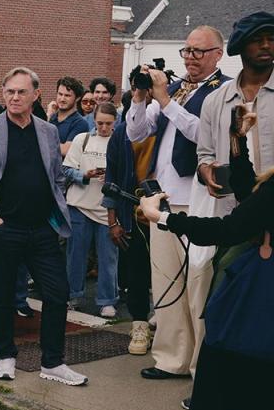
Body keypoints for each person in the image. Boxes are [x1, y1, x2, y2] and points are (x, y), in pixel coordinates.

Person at [139, 118, 273, 410]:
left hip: (242, 328)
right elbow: (254, 197)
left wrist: (162, 218)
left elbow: (231, 225)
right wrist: (238, 142)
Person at [0, 67, 86, 386]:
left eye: (21, 92)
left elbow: (57, 174)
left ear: (35, 94)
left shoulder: (48, 131)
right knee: (3, 294)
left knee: (57, 293)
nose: (14, 97)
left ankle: (53, 362)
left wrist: (54, 204)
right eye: (9, 91)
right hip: (4, 228)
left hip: (42, 228)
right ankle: (5, 356)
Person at [126, 25, 229, 381]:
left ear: (218, 54)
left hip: (198, 201)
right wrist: (141, 98)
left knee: (198, 282)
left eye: (198, 52)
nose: (190, 59)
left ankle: (204, 365)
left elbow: (204, 134)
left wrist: (166, 101)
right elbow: (137, 133)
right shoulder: (173, 88)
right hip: (163, 199)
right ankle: (172, 358)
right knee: (166, 281)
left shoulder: (223, 90)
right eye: (186, 51)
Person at [197, 12, 274, 211]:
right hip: (231, 215)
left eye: (271, 39)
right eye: (257, 40)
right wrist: (205, 169)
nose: (266, 45)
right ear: (240, 46)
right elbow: (205, 153)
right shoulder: (214, 101)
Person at [102, 79, 156, 355]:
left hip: (167, 212)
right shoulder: (121, 134)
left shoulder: (167, 128)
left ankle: (164, 323)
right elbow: (111, 178)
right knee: (136, 272)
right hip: (131, 213)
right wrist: (113, 220)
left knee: (166, 273)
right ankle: (138, 325)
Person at [62, 102, 119, 318]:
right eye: (100, 123)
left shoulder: (120, 141)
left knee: (108, 257)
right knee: (76, 254)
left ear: (115, 122)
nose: (104, 128)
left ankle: (107, 299)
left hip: (106, 209)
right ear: (93, 120)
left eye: (108, 124)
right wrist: (85, 175)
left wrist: (112, 177)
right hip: (80, 205)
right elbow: (67, 169)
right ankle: (72, 295)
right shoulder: (82, 139)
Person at [47, 76, 89, 156]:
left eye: (67, 95)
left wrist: (42, 145)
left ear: (77, 98)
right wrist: (48, 116)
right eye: (60, 94)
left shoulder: (80, 123)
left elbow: (66, 150)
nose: (62, 99)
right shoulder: (52, 118)